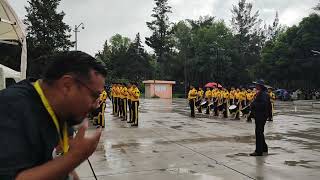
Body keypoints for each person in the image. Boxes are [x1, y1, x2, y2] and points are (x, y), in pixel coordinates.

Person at [0, 51, 106, 179]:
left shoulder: (64, 111)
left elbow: (59, 165)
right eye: (94, 96)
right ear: (67, 85)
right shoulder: (12, 108)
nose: (96, 105)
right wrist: (75, 157)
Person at [249, 80, 271, 156]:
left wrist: (253, 104)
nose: (255, 86)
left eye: (257, 85)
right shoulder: (261, 93)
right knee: (260, 132)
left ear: (260, 86)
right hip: (260, 115)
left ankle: (258, 151)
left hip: (261, 116)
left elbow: (263, 105)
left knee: (258, 133)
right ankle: (264, 148)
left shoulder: (263, 94)